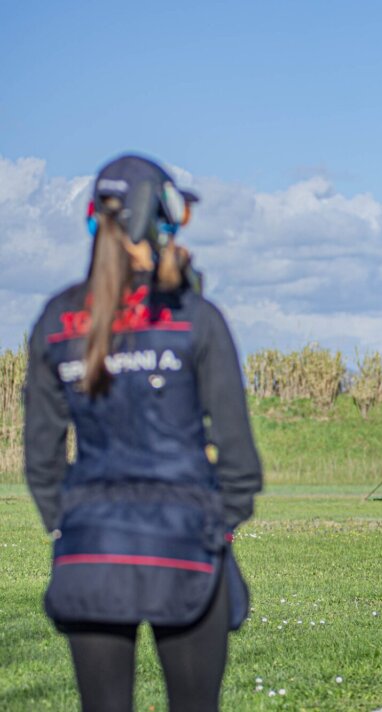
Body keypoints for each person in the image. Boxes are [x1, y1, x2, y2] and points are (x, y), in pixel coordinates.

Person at [23, 154, 262, 712]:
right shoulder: (196, 317)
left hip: (89, 556)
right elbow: (239, 458)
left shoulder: (56, 319)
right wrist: (218, 525)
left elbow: (41, 455)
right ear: (158, 220)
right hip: (186, 551)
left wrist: (68, 523)